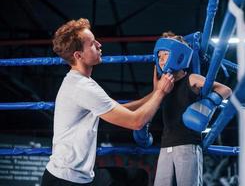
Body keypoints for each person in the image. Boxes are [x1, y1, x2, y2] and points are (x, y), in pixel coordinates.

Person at [41, 18, 174, 186]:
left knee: (136, 177)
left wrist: (154, 93)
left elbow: (118, 109)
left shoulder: (81, 82)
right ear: (78, 55)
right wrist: (161, 92)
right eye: (91, 44)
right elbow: (136, 121)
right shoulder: (82, 87)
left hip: (79, 177)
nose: (99, 44)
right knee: (134, 179)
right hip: (65, 181)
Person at [153, 31, 232, 186]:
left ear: (178, 54)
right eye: (159, 56)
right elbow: (155, 90)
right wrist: (156, 65)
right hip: (165, 145)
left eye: (165, 55)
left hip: (187, 144)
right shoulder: (163, 84)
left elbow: (226, 89)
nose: (161, 60)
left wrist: (207, 104)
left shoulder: (192, 78)